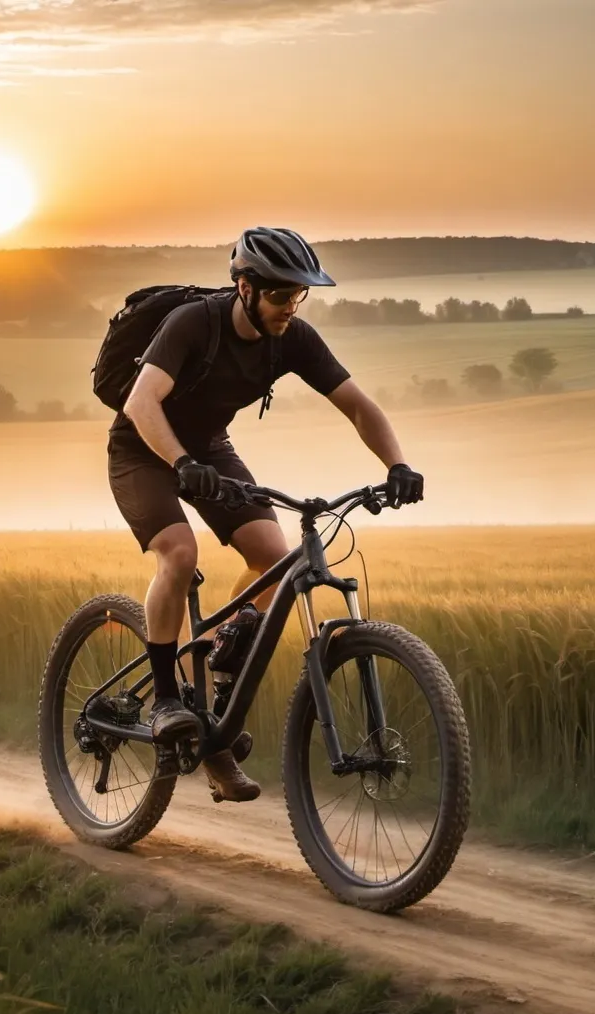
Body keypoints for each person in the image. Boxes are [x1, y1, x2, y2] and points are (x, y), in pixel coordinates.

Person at [107, 226, 424, 802]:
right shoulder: (193, 324)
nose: (291, 306)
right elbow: (140, 402)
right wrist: (180, 461)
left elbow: (358, 405)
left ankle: (217, 699)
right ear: (245, 287)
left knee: (275, 561)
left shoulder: (292, 338)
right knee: (179, 552)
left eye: (300, 295)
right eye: (281, 295)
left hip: (208, 450)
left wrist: (397, 464)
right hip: (144, 448)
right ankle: (166, 702)